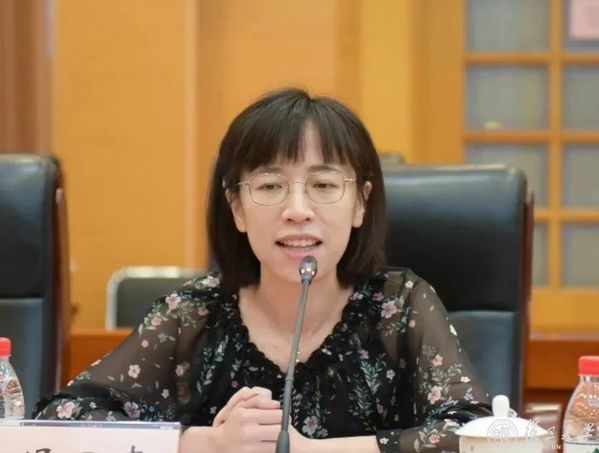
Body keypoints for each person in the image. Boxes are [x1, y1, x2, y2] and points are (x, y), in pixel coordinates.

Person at [35, 88, 491, 452]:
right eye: (271, 186)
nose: (297, 210)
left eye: (323, 184)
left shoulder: (399, 306)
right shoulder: (194, 316)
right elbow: (60, 420)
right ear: (236, 207)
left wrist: (312, 451)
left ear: (360, 204)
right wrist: (207, 444)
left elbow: (476, 434)